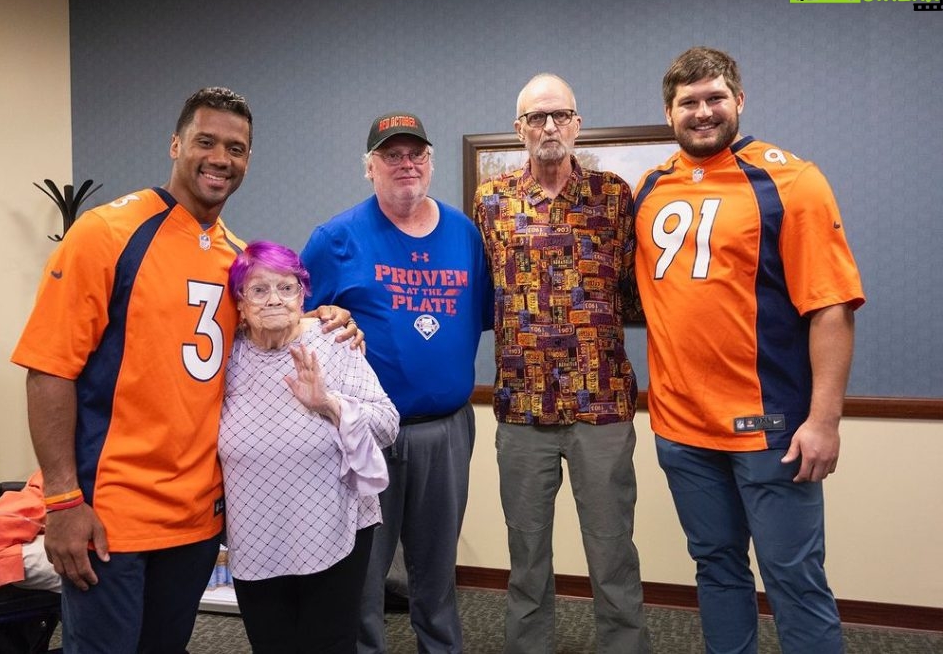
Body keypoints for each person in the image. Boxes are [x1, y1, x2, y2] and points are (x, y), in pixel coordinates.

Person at [11, 86, 357, 653]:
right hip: (111, 517)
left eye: (237, 148)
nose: (221, 158)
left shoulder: (237, 261)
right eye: (206, 141)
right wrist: (62, 501)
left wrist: (328, 316)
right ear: (176, 144)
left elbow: (272, 328)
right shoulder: (105, 235)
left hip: (196, 520)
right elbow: (49, 369)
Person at [633, 46, 865, 654]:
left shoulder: (793, 180)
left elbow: (831, 306)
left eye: (715, 98)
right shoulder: (651, 187)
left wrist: (826, 420)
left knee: (794, 578)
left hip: (770, 427)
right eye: (689, 102)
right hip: (682, 429)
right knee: (716, 569)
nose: (703, 112)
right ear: (669, 111)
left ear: (739, 100)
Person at [301, 111, 492, 654]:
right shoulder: (334, 238)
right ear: (370, 168)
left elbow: (474, 319)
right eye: (391, 155)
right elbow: (296, 324)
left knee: (436, 572)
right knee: (363, 574)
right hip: (364, 434)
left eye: (416, 154)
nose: (405, 164)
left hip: (447, 432)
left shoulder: (464, 234)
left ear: (429, 163)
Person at [473, 74, 650, 654]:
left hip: (601, 407)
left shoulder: (613, 196)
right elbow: (483, 293)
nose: (549, 127)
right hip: (522, 408)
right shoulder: (491, 201)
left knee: (612, 552)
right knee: (526, 557)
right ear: (519, 128)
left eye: (560, 115)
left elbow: (631, 292)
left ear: (577, 123)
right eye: (536, 117)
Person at [219, 241, 399, 653]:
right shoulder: (226, 355)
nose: (274, 300)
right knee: (270, 644)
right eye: (259, 290)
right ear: (240, 302)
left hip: (333, 525)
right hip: (254, 534)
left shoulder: (334, 342)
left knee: (329, 644)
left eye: (287, 287)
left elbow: (388, 424)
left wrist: (329, 405)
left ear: (304, 295)